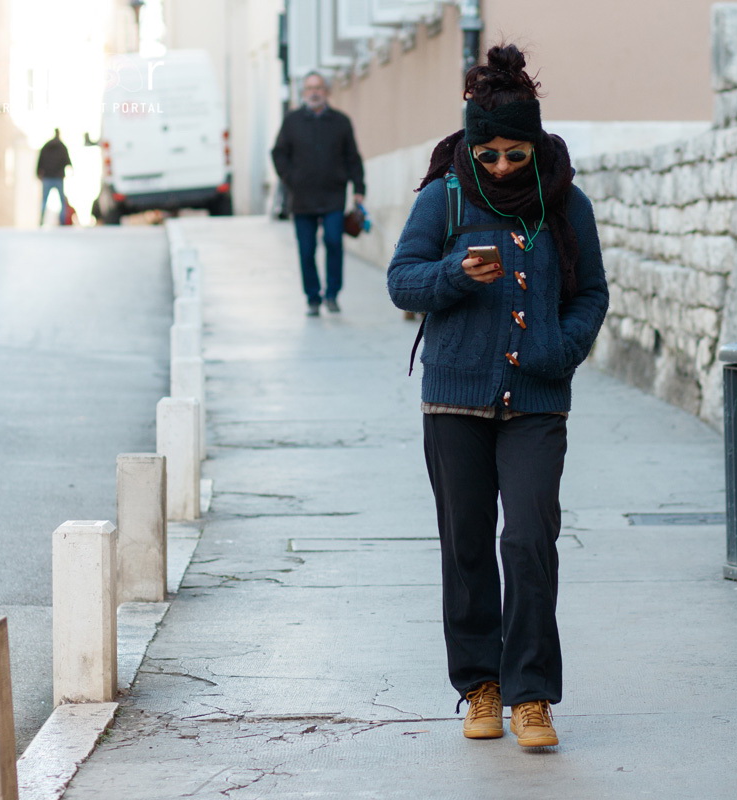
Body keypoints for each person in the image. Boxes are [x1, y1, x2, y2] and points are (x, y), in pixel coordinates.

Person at [387, 44, 609, 748]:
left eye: (516, 154)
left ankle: (532, 694)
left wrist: (559, 349)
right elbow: (401, 280)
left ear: (536, 144)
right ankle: (480, 686)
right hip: (454, 401)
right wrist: (455, 273)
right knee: (467, 546)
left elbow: (591, 294)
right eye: (490, 155)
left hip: (537, 400)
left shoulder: (565, 202)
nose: (504, 167)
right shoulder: (444, 197)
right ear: (472, 146)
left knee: (529, 539)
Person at [271, 71, 366, 316]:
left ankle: (332, 294)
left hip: (333, 196)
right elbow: (278, 153)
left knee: (334, 242)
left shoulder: (341, 121)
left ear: (327, 91)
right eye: (309, 88)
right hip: (301, 198)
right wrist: (290, 178)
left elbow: (353, 158)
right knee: (306, 249)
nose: (314, 93)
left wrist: (359, 189)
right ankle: (312, 298)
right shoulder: (292, 121)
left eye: (319, 88)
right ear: (303, 93)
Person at [36, 129, 71, 227]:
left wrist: (38, 173)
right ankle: (62, 221)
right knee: (62, 201)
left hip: (47, 177)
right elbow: (67, 161)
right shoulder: (62, 146)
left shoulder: (46, 146)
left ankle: (41, 220)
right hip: (58, 177)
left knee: (44, 200)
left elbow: (40, 160)